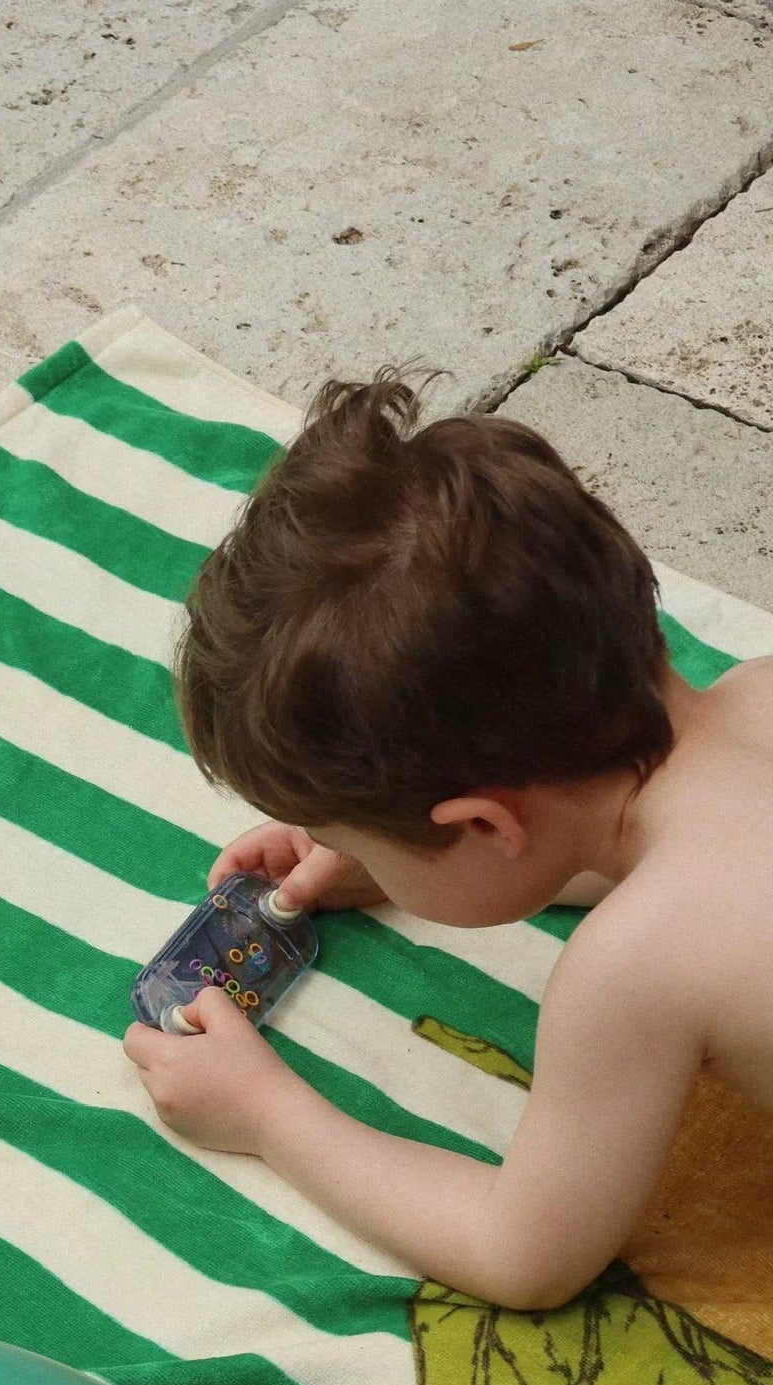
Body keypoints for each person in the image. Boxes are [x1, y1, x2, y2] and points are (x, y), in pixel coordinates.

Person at [123, 370, 773, 1311]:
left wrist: (267, 1112)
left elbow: (523, 1254)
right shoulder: (756, 688)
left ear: (481, 826)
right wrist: (390, 873)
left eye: (375, 846)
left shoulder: (633, 970)